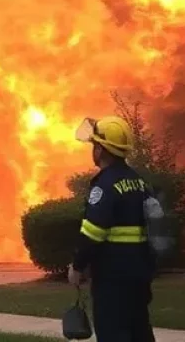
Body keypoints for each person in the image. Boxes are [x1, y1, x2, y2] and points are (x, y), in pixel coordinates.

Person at [68, 115, 155, 342]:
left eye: (95, 145)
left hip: (112, 277)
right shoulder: (138, 181)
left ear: (101, 150)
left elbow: (92, 232)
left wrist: (77, 267)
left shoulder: (105, 185)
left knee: (112, 333)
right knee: (140, 332)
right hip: (140, 274)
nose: (93, 150)